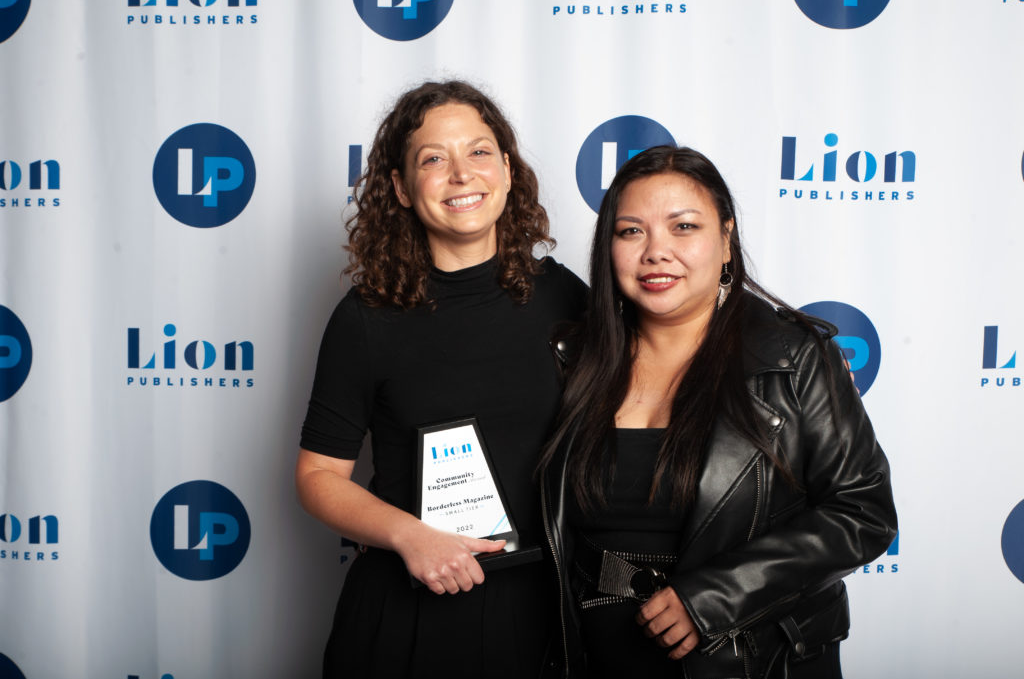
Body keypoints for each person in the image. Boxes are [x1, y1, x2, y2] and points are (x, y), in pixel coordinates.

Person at [539, 145, 897, 679]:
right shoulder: (574, 358)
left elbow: (863, 512)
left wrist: (712, 598)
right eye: (631, 231)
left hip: (748, 658)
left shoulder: (794, 356)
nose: (656, 252)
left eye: (683, 227)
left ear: (726, 239)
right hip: (600, 657)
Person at [295, 80, 587, 679]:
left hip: (541, 614)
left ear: (507, 170)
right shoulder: (366, 317)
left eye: (479, 152)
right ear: (402, 189)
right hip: (408, 615)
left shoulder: (565, 299)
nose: (461, 174)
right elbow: (318, 476)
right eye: (433, 159)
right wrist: (409, 536)